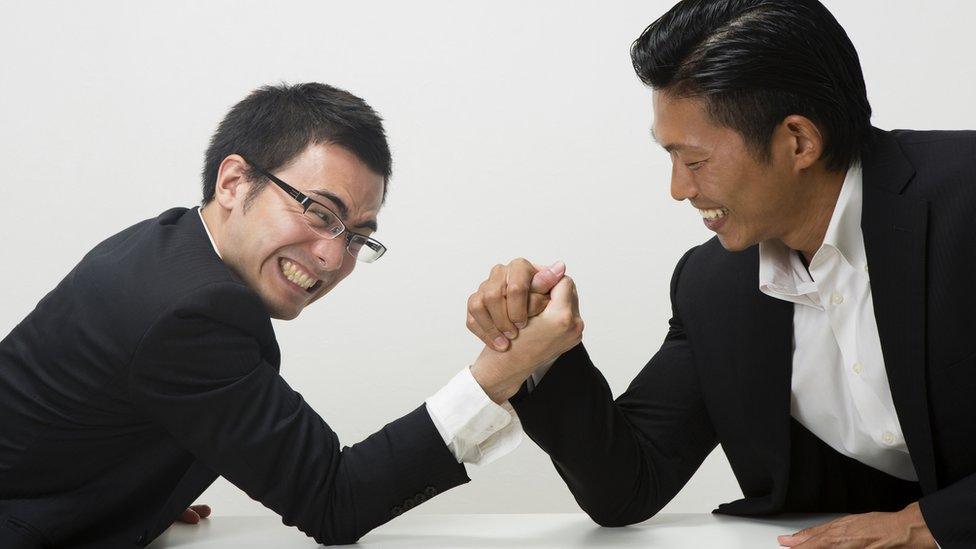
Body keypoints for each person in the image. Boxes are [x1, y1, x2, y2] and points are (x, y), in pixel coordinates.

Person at [464, 1, 976, 547]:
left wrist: (926, 525)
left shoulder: (965, 199)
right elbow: (628, 484)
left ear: (798, 140)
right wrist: (541, 349)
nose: (678, 190)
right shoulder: (714, 285)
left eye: (695, 161)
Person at [0, 82, 583, 548]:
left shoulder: (170, 245)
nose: (333, 256)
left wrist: (145, 479)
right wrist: (501, 371)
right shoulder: (190, 313)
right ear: (234, 182)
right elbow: (335, 501)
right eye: (318, 212)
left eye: (358, 237)